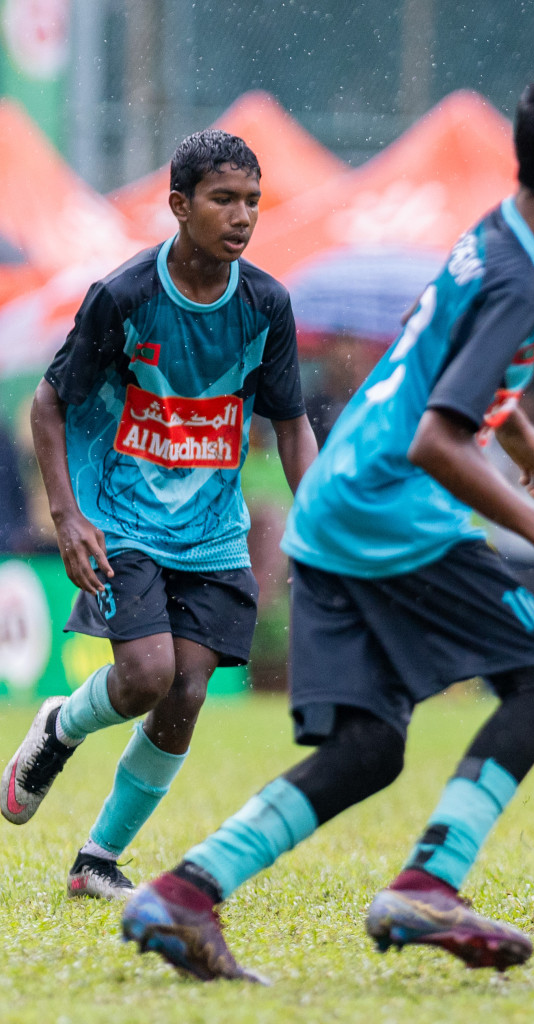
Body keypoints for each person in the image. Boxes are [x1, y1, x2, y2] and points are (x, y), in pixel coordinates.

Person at [121, 67, 534, 983]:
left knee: (369, 747)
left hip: (332, 509)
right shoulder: (522, 279)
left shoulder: (489, 238)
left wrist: (511, 426)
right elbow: (437, 439)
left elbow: (421, 335)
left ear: (524, 158)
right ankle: (432, 881)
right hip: (391, 512)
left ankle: (185, 893)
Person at [2, 131, 318, 900]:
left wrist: (319, 523)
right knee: (146, 675)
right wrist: (70, 518)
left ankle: (96, 860)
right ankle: (58, 729)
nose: (242, 216)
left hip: (213, 532)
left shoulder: (267, 304)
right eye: (223, 199)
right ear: (179, 205)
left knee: (188, 691)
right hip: (123, 519)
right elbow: (48, 403)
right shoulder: (126, 296)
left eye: (252, 201)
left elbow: (290, 421)